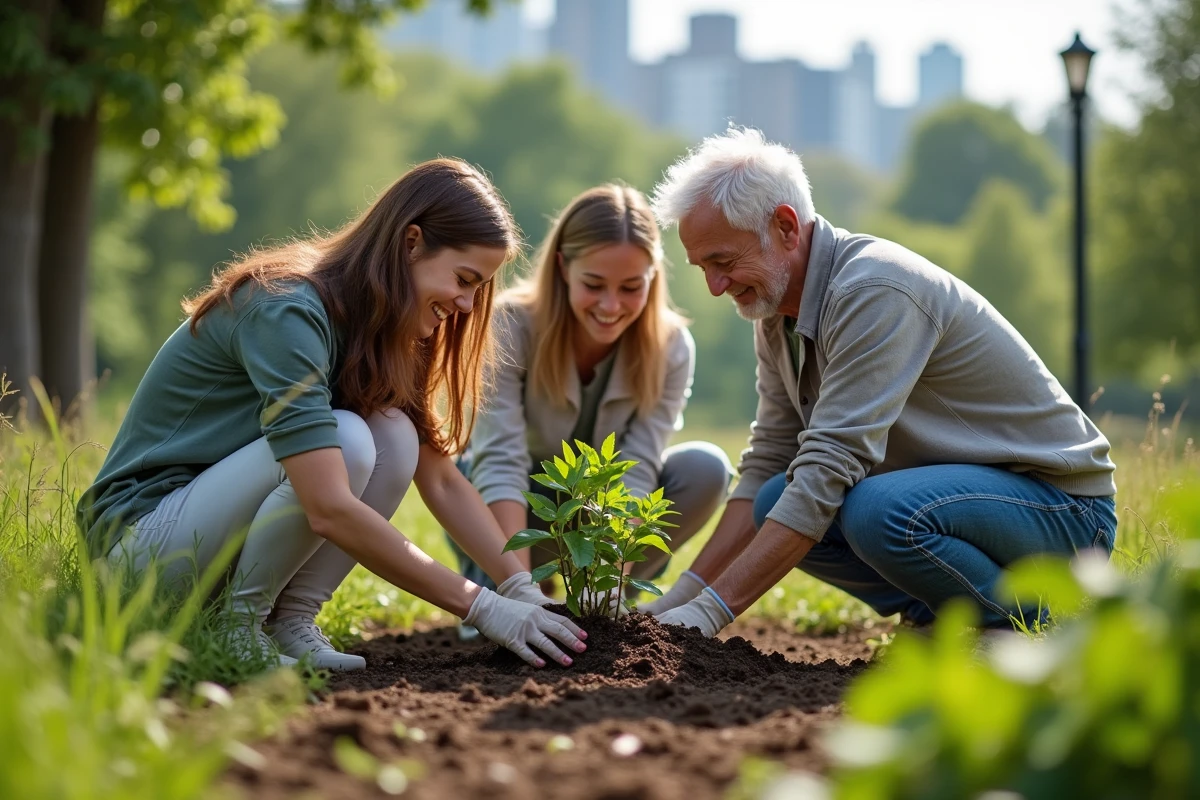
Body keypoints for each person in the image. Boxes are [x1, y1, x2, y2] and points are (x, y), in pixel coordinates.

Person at [78, 159, 588, 671]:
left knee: (396, 436)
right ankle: (236, 628)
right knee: (348, 441)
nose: (466, 303)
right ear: (411, 242)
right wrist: (481, 606)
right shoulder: (286, 308)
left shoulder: (388, 330)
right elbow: (326, 505)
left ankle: (289, 621)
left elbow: (443, 481)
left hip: (206, 547)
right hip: (135, 554)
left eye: (478, 288)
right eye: (463, 278)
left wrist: (521, 590)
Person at [640, 128, 1118, 637]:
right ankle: (936, 614)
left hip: (1061, 513)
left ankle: (1017, 623)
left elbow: (829, 466)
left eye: (724, 261)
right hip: (962, 505)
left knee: (875, 511)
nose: (715, 287)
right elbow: (771, 456)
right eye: (703, 267)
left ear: (785, 226)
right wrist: (679, 599)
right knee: (772, 498)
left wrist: (708, 615)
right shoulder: (775, 312)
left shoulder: (873, 289)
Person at [450, 184, 732, 621]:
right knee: (461, 472)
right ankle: (499, 581)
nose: (611, 305)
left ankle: (613, 597)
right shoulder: (509, 325)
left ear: (654, 275)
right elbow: (500, 461)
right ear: (563, 267)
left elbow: (639, 465)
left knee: (705, 467)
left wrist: (609, 586)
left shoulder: (672, 346)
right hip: (523, 512)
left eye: (631, 287)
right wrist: (521, 594)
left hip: (603, 516)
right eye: (594, 284)